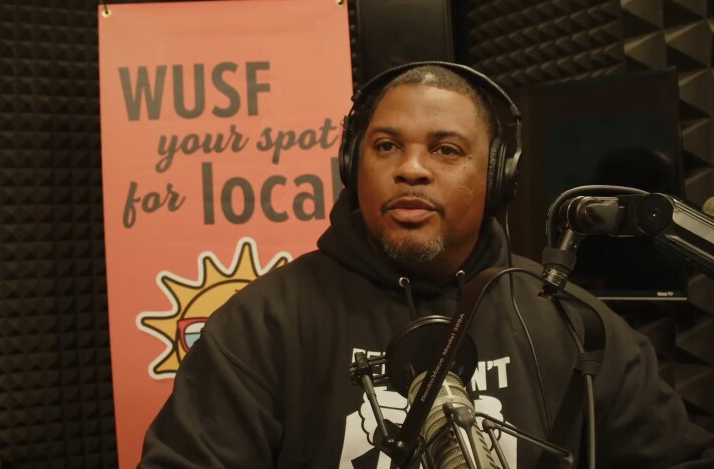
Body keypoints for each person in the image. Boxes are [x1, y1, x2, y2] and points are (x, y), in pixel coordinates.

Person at [140, 63, 714, 468]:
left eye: (446, 149)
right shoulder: (260, 327)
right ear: (351, 165)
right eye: (386, 146)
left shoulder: (572, 324)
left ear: (497, 178)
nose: (411, 169)